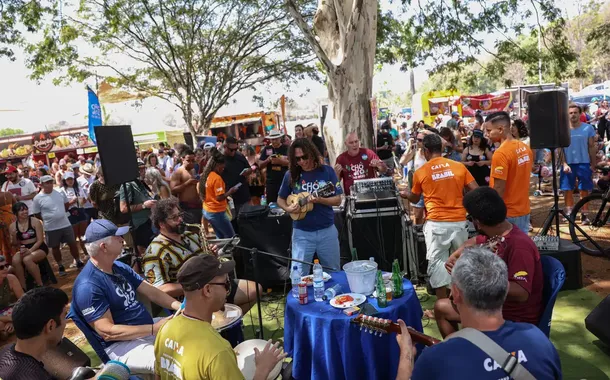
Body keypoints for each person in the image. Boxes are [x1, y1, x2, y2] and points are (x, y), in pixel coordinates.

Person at [396, 247, 561, 380]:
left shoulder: (436, 359)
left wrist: (407, 355)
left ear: (456, 293)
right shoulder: (539, 341)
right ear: (504, 290)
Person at [70, 219, 181, 375]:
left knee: (189, 336)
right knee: (173, 363)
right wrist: (153, 329)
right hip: (119, 346)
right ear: (104, 247)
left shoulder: (118, 266)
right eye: (118, 237)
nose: (123, 240)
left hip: (145, 329)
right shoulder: (87, 286)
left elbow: (151, 291)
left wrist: (179, 306)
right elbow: (107, 332)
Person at [434, 187, 543, 339]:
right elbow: (474, 241)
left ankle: (462, 351)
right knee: (441, 308)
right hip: (492, 307)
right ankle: (459, 349)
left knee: (445, 307)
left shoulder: (519, 246)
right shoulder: (497, 234)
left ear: (477, 222)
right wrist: (457, 253)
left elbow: (521, 293)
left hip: (512, 316)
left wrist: (474, 285)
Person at [154, 255, 285, 380]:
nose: (227, 291)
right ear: (207, 290)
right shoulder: (218, 351)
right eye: (226, 284)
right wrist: (262, 370)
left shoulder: (165, 329)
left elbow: (158, 376)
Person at [143, 198, 260, 314]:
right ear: (161, 224)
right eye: (174, 218)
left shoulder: (191, 236)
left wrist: (212, 256)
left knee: (255, 290)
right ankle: (218, 323)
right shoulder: (154, 252)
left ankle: (226, 322)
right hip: (190, 299)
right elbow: (158, 289)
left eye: (180, 215)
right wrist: (195, 284)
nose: (180, 220)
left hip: (213, 286)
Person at [400, 134, 477, 300]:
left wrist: (406, 194)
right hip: (459, 222)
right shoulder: (458, 167)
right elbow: (476, 190)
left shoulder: (421, 172)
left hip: (436, 225)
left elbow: (414, 198)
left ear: (426, 151)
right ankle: (462, 305)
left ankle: (443, 307)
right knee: (461, 264)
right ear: (441, 149)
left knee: (438, 266)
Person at [277, 138, 343, 275]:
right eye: (297, 159)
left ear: (312, 153)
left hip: (326, 231)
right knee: (299, 274)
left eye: (304, 157)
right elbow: (280, 199)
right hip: (302, 233)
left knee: (333, 272)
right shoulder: (291, 174)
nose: (302, 162)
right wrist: (288, 209)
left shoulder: (327, 171)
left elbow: (337, 200)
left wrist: (320, 200)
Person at [0, 287, 69, 379]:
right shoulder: (36, 376)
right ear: (50, 326)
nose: (66, 322)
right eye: (64, 316)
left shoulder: (6, 353)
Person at [485, 111, 533, 234]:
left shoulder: (501, 153)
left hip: (508, 213)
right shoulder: (524, 147)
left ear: (500, 129)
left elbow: (499, 188)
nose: (486, 134)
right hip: (523, 209)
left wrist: (491, 212)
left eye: (489, 131)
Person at [32, 175, 83, 277]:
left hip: (65, 224)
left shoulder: (60, 192)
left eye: (51, 182)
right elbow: (36, 214)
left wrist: (60, 214)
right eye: (47, 183)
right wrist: (47, 219)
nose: (49, 184)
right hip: (50, 227)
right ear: (41, 185)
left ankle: (78, 261)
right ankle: (60, 266)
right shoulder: (37, 198)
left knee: (72, 243)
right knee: (55, 247)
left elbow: (66, 205)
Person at [561, 104, 597, 224]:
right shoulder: (563, 129)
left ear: (580, 113)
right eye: (570, 113)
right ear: (567, 115)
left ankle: (584, 215)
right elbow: (560, 149)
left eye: (575, 112)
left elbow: (591, 147)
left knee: (584, 189)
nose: (573, 115)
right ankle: (569, 213)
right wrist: (564, 163)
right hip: (568, 164)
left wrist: (593, 163)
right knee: (568, 189)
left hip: (584, 163)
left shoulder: (588, 128)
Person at [119, 160, 157, 255]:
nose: (142, 172)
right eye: (139, 169)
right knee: (145, 252)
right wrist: (144, 205)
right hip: (139, 225)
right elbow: (123, 208)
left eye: (143, 169)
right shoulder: (127, 185)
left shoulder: (140, 182)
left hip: (149, 222)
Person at [9, 202, 48, 289]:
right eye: (21, 210)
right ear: (16, 213)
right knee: (15, 260)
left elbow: (40, 240)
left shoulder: (35, 221)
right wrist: (14, 236)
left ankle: (40, 284)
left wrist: (30, 251)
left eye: (26, 209)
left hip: (38, 247)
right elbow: (14, 244)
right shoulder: (12, 226)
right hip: (23, 248)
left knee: (27, 259)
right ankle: (23, 287)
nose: (25, 212)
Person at [199, 149, 237, 238]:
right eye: (222, 167)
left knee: (220, 236)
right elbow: (219, 197)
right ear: (217, 165)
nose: (223, 169)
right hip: (217, 212)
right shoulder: (217, 178)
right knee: (231, 237)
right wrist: (230, 192)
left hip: (208, 211)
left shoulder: (208, 175)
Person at [400, 131, 428, 224]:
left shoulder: (431, 153)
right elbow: (402, 161)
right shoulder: (415, 152)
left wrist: (427, 131)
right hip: (417, 187)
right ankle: (419, 234)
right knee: (418, 215)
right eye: (417, 139)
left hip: (430, 187)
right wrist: (409, 147)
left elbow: (443, 143)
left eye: (420, 140)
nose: (418, 142)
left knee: (431, 214)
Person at [221, 137, 252, 221]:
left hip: (243, 193)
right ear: (225, 147)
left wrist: (248, 171)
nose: (234, 152)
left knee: (246, 220)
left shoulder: (239, 155)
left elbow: (249, 168)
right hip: (228, 196)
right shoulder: (220, 159)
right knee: (233, 221)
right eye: (231, 150)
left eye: (236, 149)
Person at [59, 171, 89, 258]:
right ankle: (76, 258)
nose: (70, 181)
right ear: (64, 180)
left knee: (83, 235)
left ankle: (86, 253)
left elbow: (85, 199)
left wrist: (83, 200)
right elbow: (62, 205)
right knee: (73, 237)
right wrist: (71, 202)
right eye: (68, 179)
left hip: (81, 211)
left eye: (71, 179)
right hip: (71, 213)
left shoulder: (78, 188)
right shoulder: (62, 191)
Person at [170, 148, 202, 227]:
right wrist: (187, 183)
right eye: (188, 160)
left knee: (200, 230)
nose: (191, 163)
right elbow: (173, 190)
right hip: (187, 208)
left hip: (198, 206)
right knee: (192, 231)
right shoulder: (178, 172)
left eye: (193, 161)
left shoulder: (193, 170)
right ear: (182, 159)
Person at [258, 130, 290, 203]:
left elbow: (292, 163)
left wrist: (281, 161)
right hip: (271, 182)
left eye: (276, 139)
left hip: (284, 180)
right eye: (272, 139)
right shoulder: (267, 149)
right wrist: (268, 160)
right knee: (272, 203)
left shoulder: (286, 148)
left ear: (280, 138)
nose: (274, 141)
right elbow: (260, 165)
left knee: (286, 201)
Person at [0, 254, 23, 339]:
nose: (5, 269)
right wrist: (11, 319)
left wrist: (12, 320)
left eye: (6, 265)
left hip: (7, 311)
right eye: (1, 267)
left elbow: (23, 301)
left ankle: (5, 330)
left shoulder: (11, 279)